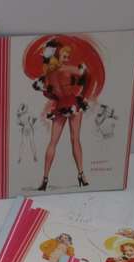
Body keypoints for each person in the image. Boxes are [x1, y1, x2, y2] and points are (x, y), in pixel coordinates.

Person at [33, 39, 90, 190]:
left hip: (60, 106)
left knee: (53, 142)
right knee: (75, 140)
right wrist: (82, 92)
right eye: (65, 56)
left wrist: (59, 95)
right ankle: (81, 175)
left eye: (68, 56)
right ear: (58, 56)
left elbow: (48, 93)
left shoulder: (48, 74)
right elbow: (84, 73)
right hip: (73, 104)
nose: (67, 58)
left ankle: (45, 179)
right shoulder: (66, 69)